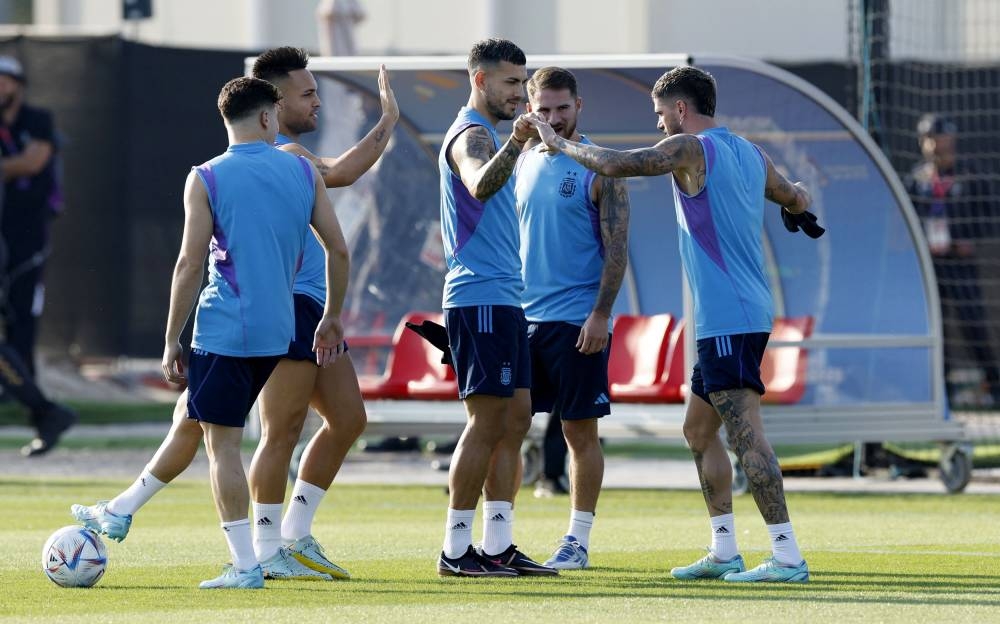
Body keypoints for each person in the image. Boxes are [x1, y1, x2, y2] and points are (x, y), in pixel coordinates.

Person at [71, 48, 398, 582]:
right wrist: (387, 121)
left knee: (233, 428)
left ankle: (257, 546)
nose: (316, 102)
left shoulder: (235, 172)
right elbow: (341, 188)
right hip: (285, 312)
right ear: (273, 103)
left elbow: (189, 260)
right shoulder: (291, 161)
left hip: (267, 315)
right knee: (250, 428)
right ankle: (258, 544)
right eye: (307, 93)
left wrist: (172, 338)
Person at [529, 65, 815, 583]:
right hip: (730, 317)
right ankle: (725, 549)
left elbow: (617, 164)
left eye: (661, 114)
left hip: (730, 317)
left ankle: (788, 556)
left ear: (681, 110)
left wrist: (556, 143)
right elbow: (794, 193)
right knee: (698, 431)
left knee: (746, 435)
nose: (660, 124)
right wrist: (798, 208)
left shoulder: (691, 147)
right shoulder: (750, 153)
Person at [169, 76, 348, 589]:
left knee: (224, 446)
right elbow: (338, 249)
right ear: (269, 116)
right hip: (285, 328)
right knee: (280, 433)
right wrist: (332, 314)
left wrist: (169, 339)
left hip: (225, 328)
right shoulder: (300, 171)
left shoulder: (205, 176)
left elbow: (188, 262)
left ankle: (247, 565)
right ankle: (278, 541)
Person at [436, 38, 554, 578]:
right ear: (480, 80)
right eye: (511, 82)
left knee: (517, 418)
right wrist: (516, 144)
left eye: (523, 82)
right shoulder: (471, 134)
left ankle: (499, 545)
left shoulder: (494, 133)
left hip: (506, 297)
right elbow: (479, 183)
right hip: (477, 296)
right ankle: (455, 551)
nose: (521, 93)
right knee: (486, 423)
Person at [515, 66, 630, 570]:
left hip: (576, 321)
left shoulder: (598, 166)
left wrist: (601, 314)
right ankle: (497, 538)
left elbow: (618, 248)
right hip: (521, 320)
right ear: (529, 109)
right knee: (505, 428)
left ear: (579, 106)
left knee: (578, 433)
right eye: (544, 109)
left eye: (562, 108)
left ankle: (577, 541)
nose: (554, 119)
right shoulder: (519, 161)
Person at [0, 55, 76, 456]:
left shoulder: (36, 119)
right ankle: (42, 410)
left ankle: (41, 410)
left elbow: (33, 161)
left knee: (20, 329)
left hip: (26, 241)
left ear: (17, 84)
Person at [905, 114, 1000, 407]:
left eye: (939, 137)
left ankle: (994, 386)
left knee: (974, 324)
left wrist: (968, 239)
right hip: (931, 266)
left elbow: (990, 216)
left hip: (961, 264)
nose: (934, 144)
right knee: (935, 326)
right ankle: (940, 393)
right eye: (927, 138)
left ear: (951, 139)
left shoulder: (972, 175)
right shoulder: (917, 179)